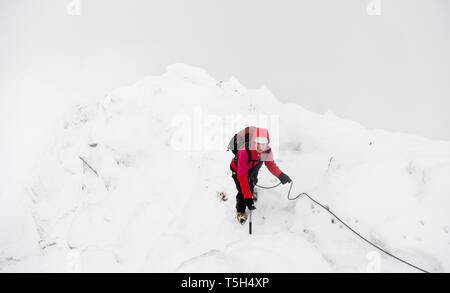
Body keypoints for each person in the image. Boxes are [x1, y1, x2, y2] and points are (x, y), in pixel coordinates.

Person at [229, 127, 291, 224]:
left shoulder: (266, 151)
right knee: (242, 191)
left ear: (267, 142)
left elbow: (270, 165)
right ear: (254, 141)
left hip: (253, 170)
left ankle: (251, 191)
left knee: (252, 182)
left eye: (264, 143)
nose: (260, 146)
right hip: (238, 171)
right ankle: (240, 211)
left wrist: (280, 175)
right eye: (258, 142)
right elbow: (242, 177)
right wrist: (247, 198)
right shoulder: (245, 151)